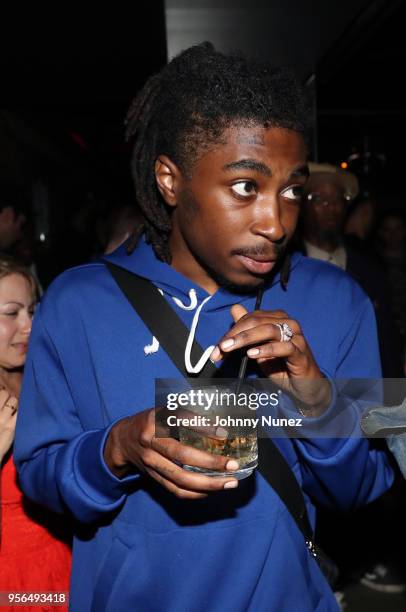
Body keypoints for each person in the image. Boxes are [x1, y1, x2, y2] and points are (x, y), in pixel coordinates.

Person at [14, 43, 392, 612]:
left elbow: (368, 487)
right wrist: (115, 449)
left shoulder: (341, 299)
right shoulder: (78, 301)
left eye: (291, 189)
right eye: (246, 186)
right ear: (170, 179)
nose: (276, 221)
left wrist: (318, 401)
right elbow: (38, 475)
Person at [0, 255, 71, 611]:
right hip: (13, 584)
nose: (29, 326)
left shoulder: (49, 377)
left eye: (32, 309)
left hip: (69, 560)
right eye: (11, 314)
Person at [299, 163, 403, 380]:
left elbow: (387, 343)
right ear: (301, 206)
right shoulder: (284, 272)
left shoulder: (370, 270)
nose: (331, 207)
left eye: (338, 199)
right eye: (318, 199)